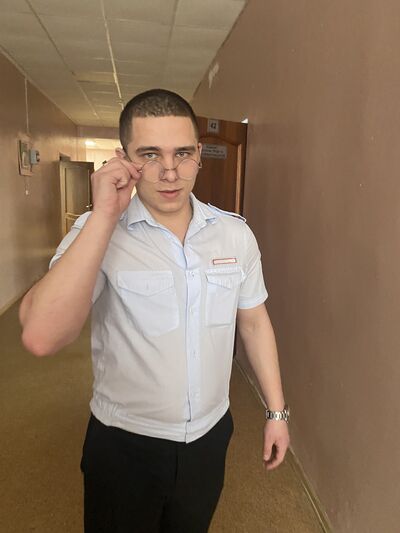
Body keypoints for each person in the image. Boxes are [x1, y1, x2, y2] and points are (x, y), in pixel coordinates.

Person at [19, 89, 290, 532]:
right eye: (150, 154)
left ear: (198, 154)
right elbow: (41, 335)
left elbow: (255, 323)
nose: (169, 172)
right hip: (124, 444)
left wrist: (276, 413)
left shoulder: (234, 235)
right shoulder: (97, 230)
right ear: (123, 159)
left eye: (182, 153)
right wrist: (104, 216)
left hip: (208, 438)